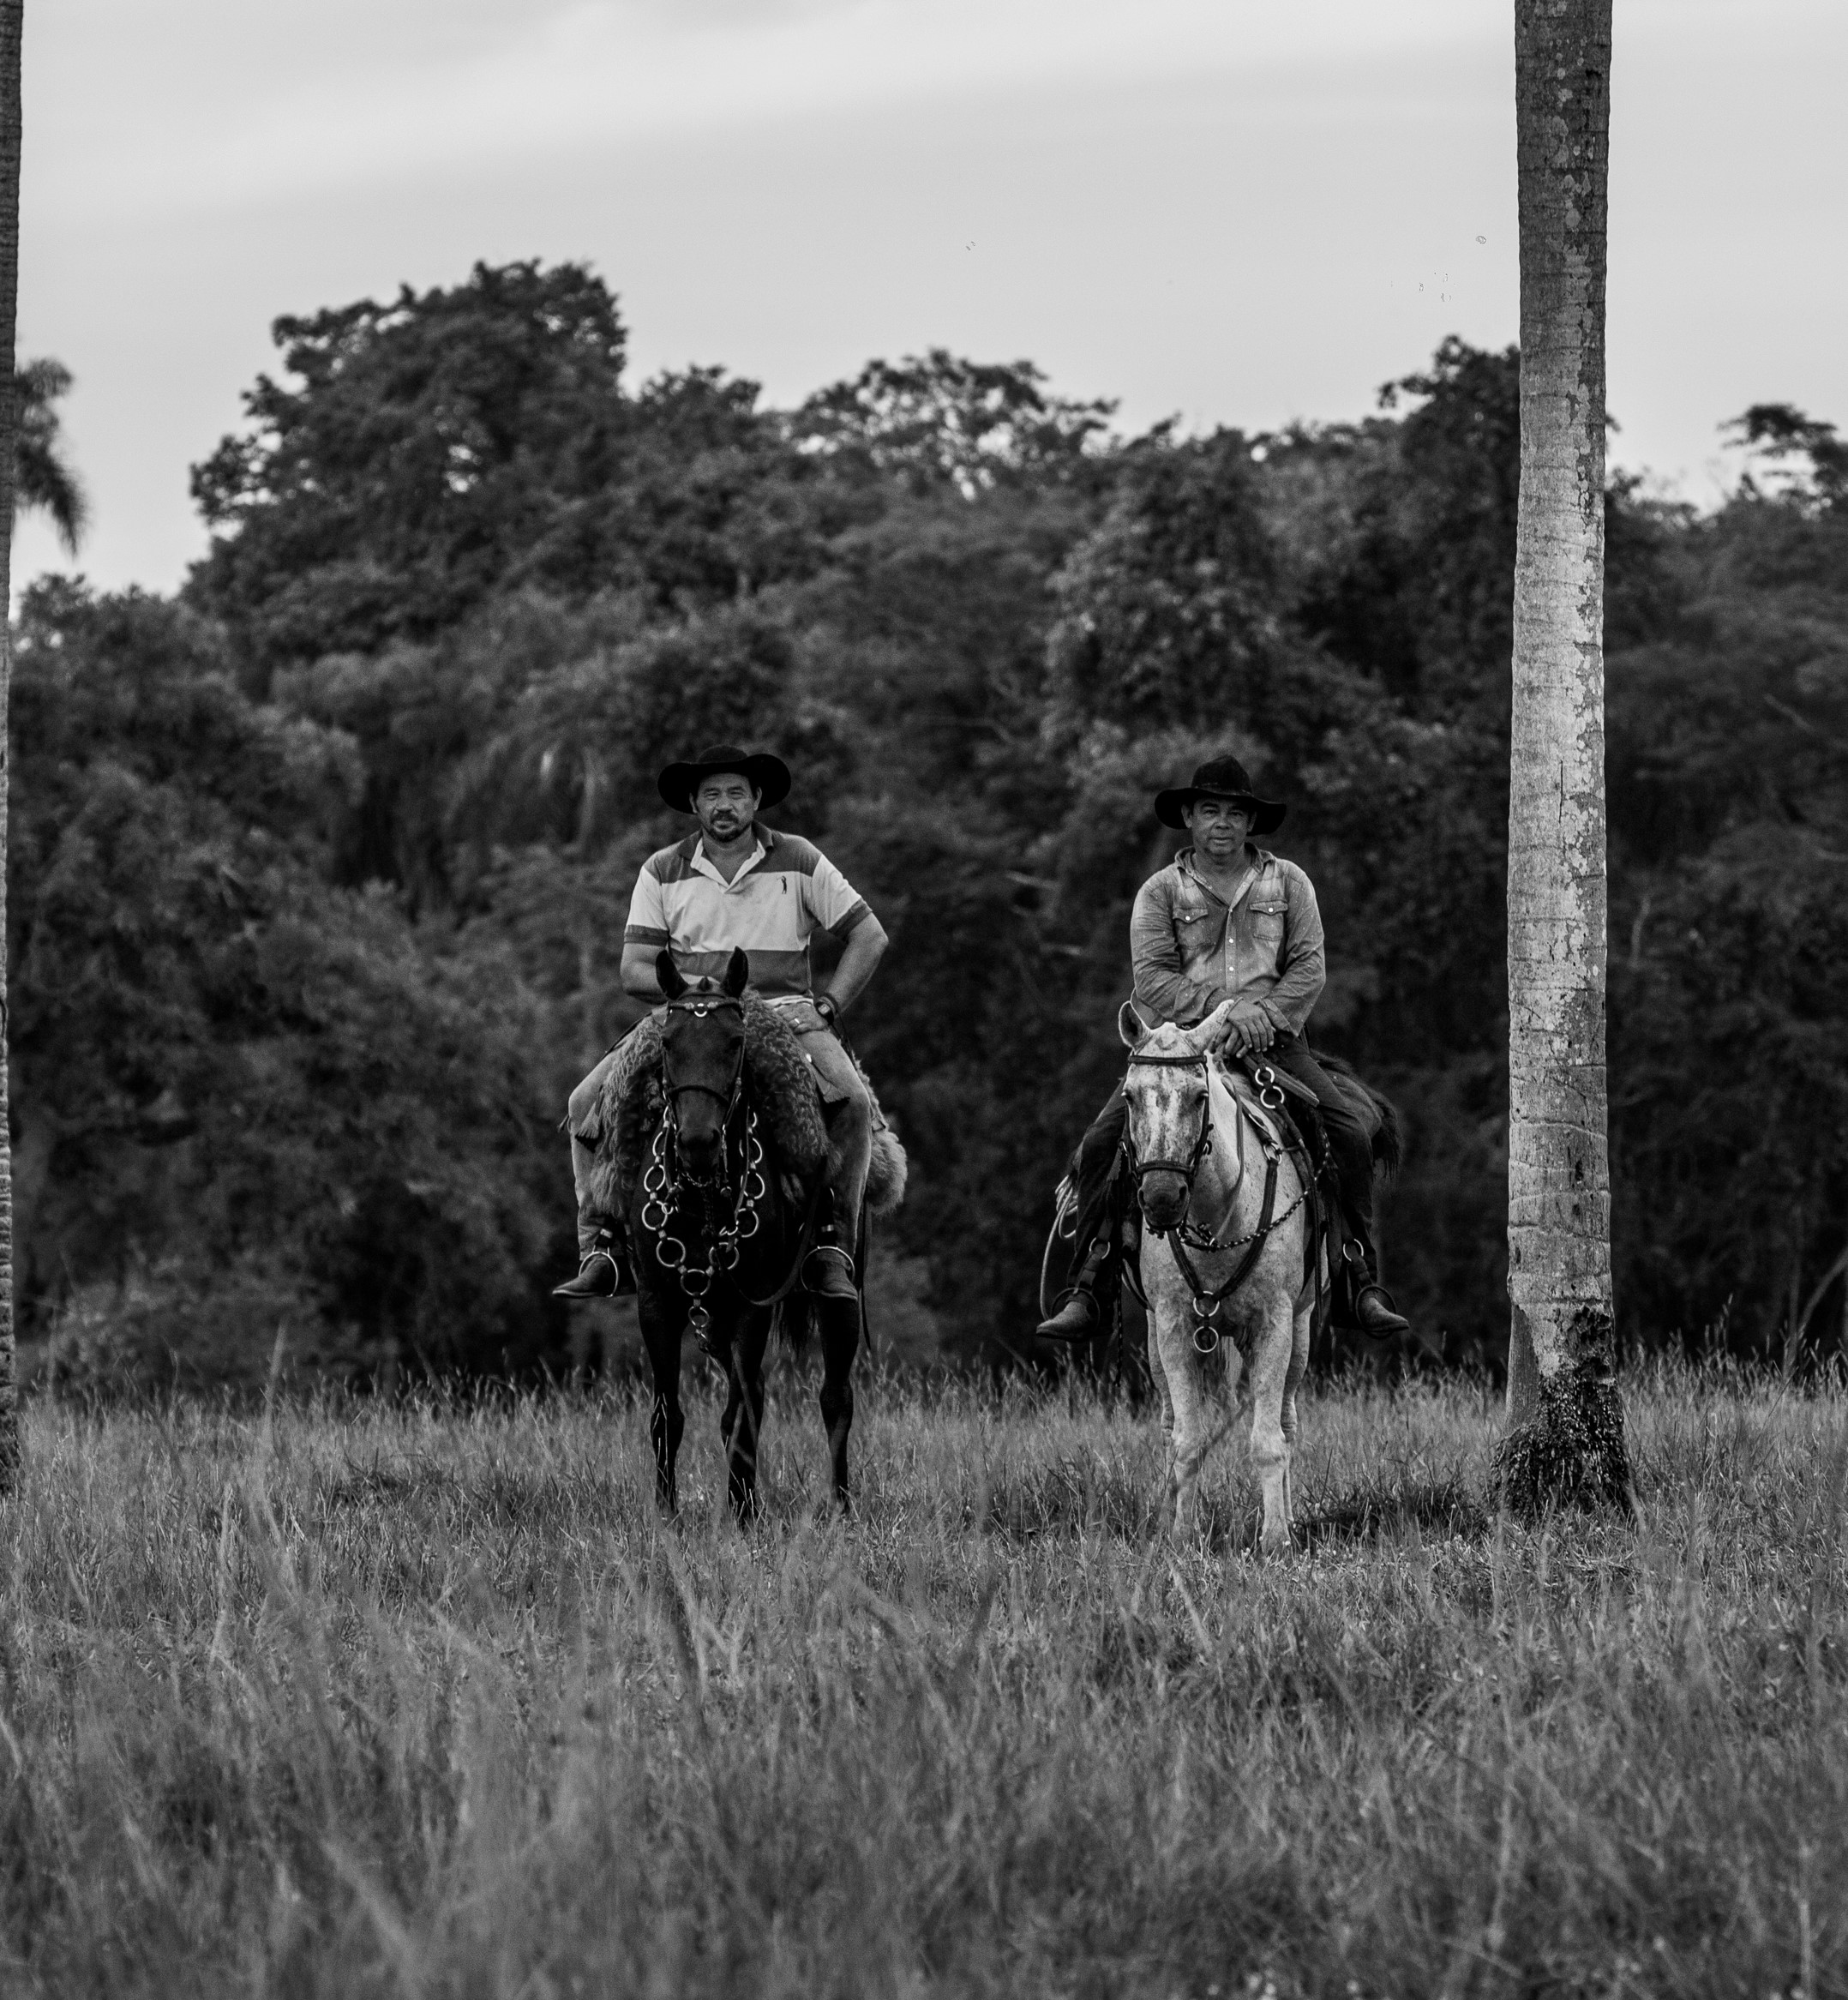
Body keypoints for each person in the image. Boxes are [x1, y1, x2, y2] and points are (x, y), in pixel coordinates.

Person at [1035, 754, 1410, 1342]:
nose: (1223, 824)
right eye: (1210, 810)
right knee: (1100, 1144)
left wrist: (1266, 1018)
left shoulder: (1289, 883)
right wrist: (1227, 1015)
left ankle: (1358, 1277)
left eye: (1235, 813)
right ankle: (1091, 1283)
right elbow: (1154, 978)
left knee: (1350, 1132)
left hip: (1278, 1045)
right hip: (1180, 1050)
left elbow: (1309, 967)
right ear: (1188, 816)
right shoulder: (1159, 893)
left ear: (1250, 822)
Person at [553, 742, 889, 1307]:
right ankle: (602, 1245)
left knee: (852, 1104)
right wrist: (694, 989)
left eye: (736, 792)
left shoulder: (800, 858)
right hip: (684, 1015)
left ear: (757, 799)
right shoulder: (661, 869)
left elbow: (869, 935)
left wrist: (829, 1005)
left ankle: (835, 1242)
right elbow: (634, 967)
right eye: (712, 794)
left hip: (783, 1014)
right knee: (584, 1101)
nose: (725, 804)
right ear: (694, 803)